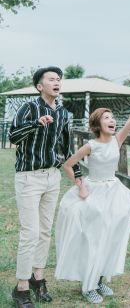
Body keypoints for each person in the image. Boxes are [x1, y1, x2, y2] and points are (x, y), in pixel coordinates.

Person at [55, 85, 130, 304]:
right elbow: (68, 165)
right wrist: (81, 187)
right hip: (94, 192)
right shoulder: (91, 145)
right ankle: (88, 286)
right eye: (107, 117)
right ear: (98, 124)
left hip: (113, 192)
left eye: (113, 117)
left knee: (109, 237)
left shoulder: (117, 140)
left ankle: (98, 279)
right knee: (94, 239)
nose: (112, 120)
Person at [9, 66, 83, 308]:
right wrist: (36, 124)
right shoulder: (28, 108)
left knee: (44, 232)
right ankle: (21, 289)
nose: (57, 82)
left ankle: (38, 279)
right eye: (51, 79)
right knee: (29, 233)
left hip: (52, 177)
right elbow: (13, 137)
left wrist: (78, 176)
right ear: (40, 86)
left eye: (59, 79)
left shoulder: (63, 112)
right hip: (29, 177)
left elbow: (67, 146)